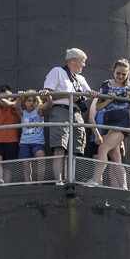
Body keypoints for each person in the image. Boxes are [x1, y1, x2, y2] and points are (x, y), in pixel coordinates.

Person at [42, 48, 96, 184]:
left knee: (75, 148)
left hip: (77, 113)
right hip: (60, 110)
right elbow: (47, 93)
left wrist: (92, 94)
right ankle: (58, 180)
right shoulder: (57, 72)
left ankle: (70, 178)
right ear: (73, 60)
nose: (84, 65)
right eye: (82, 61)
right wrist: (69, 95)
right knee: (60, 147)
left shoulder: (81, 79)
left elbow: (88, 94)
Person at [86, 59, 130, 189]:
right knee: (115, 156)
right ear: (113, 71)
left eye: (124, 74)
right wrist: (109, 100)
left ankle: (95, 180)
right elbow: (98, 107)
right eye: (118, 73)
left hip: (122, 123)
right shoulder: (105, 85)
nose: (121, 77)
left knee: (103, 148)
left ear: (128, 74)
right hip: (108, 122)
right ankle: (124, 187)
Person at [15, 90, 52, 181]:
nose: (31, 102)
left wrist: (48, 95)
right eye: (29, 100)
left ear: (37, 102)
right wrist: (19, 97)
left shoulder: (38, 110)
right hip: (25, 142)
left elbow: (49, 103)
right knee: (26, 164)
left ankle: (40, 184)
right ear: (25, 102)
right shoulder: (23, 113)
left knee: (41, 157)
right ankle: (28, 184)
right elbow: (17, 107)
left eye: (34, 100)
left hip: (37, 142)